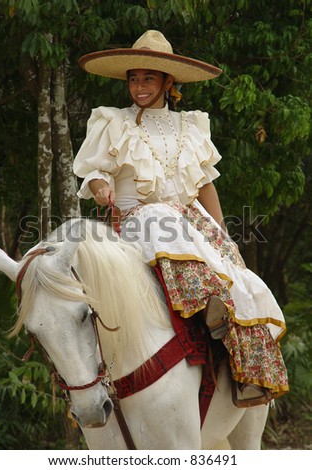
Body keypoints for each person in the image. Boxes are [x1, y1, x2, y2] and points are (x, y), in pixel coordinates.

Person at [73, 30, 289, 406]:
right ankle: (203, 305)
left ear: (167, 82)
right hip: (136, 220)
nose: (139, 86)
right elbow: (93, 171)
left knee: (242, 279)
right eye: (133, 78)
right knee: (155, 219)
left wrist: (224, 236)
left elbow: (205, 185)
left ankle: (244, 369)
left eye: (148, 78)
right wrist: (99, 189)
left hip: (189, 222)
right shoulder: (113, 121)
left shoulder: (191, 125)